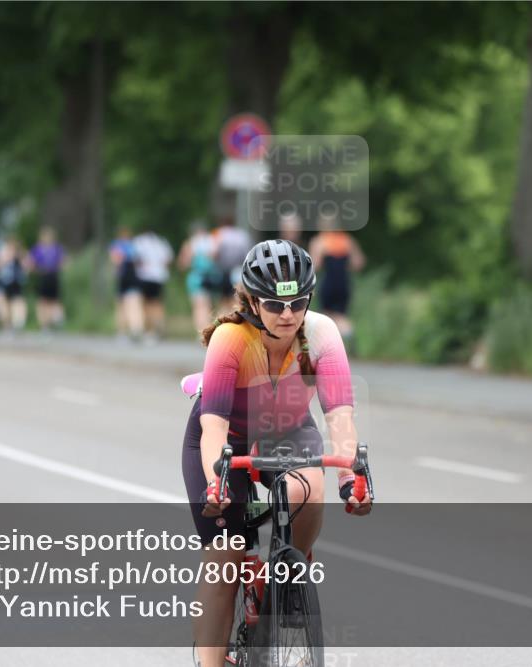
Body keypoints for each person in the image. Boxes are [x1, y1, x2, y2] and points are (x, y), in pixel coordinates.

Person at [181, 239, 371, 667]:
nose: (287, 314)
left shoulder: (321, 334)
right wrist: (217, 482)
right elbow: (213, 426)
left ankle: (289, 574)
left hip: (287, 430)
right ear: (251, 301)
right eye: (273, 304)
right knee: (225, 560)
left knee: (311, 485)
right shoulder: (231, 338)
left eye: (298, 302)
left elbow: (339, 417)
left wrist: (350, 479)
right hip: (226, 437)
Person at [309, 213, 366, 348]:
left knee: (327, 316)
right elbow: (359, 263)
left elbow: (313, 266)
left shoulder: (319, 242)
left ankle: (331, 347)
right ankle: (348, 339)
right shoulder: (347, 240)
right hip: (344, 283)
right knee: (342, 316)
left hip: (328, 283)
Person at [132, 229, 174, 343]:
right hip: (159, 276)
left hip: (145, 276)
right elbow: (168, 259)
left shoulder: (139, 241)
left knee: (145, 304)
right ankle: (159, 328)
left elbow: (135, 258)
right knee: (157, 304)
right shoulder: (161, 241)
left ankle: (149, 331)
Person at [179, 222, 218, 334]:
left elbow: (183, 263)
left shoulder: (191, 243)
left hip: (196, 277)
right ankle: (209, 330)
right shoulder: (211, 241)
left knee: (199, 306)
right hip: (211, 277)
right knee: (209, 305)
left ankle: (201, 331)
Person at [29, 227, 66, 332]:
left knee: (43, 302)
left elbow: (31, 264)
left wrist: (36, 270)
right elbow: (63, 262)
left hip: (44, 275)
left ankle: (45, 325)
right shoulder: (57, 248)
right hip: (53, 275)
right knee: (53, 301)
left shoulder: (38, 249)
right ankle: (55, 319)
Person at [211, 218, 252, 312]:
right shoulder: (242, 235)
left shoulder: (219, 233)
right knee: (236, 297)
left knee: (223, 300)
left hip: (223, 270)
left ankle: (224, 318)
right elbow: (248, 253)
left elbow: (214, 253)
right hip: (238, 269)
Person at [109, 227, 142, 340]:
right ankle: (135, 327)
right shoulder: (134, 245)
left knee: (121, 305)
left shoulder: (116, 244)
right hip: (133, 275)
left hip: (123, 276)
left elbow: (116, 259)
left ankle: (122, 332)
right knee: (134, 303)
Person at [1, 237, 29, 334]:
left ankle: (18, 321)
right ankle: (7, 324)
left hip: (17, 281)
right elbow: (1, 264)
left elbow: (26, 266)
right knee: (7, 303)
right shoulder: (6, 253)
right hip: (7, 281)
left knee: (18, 301)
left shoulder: (21, 255)